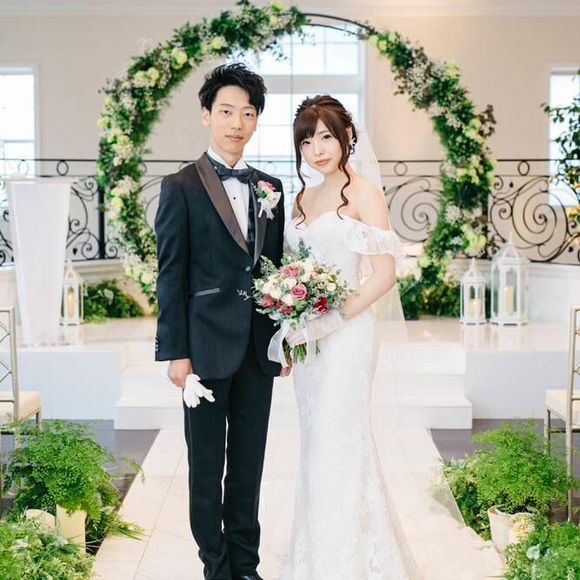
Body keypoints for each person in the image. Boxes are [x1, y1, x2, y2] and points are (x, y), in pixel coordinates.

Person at [278, 95, 421, 579]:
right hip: (309, 340)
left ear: (347, 137)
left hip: (348, 335)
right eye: (306, 141)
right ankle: (318, 557)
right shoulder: (301, 199)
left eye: (325, 137)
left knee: (339, 439)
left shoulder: (364, 195)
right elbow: (291, 273)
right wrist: (293, 325)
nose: (316, 149)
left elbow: (384, 276)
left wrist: (331, 319)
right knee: (315, 442)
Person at [154, 63, 287, 580]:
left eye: (247, 113)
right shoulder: (180, 186)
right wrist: (176, 354)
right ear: (206, 114)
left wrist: (283, 339)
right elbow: (171, 275)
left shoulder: (271, 187)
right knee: (206, 468)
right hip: (205, 347)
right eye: (227, 111)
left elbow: (275, 272)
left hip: (257, 347)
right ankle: (215, 565)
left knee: (249, 464)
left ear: (256, 120)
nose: (237, 122)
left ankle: (246, 566)